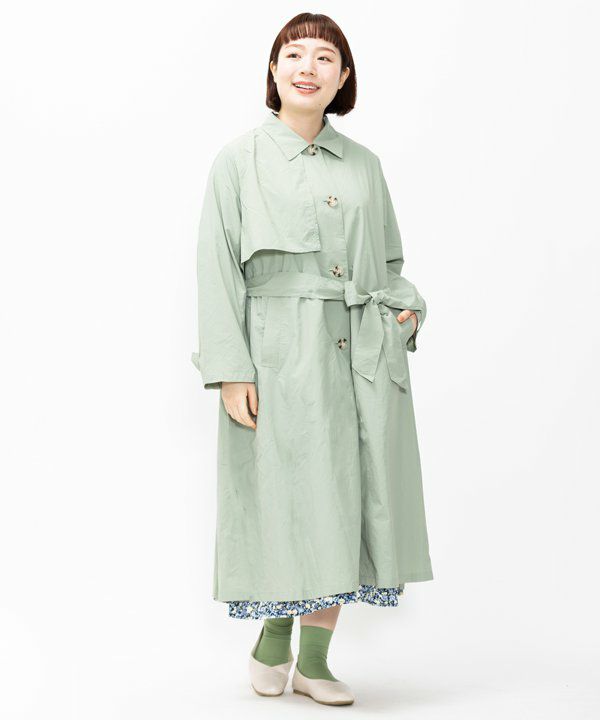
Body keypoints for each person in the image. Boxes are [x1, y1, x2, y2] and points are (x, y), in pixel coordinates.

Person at [191, 12, 433, 706]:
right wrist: (230, 370)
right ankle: (273, 638)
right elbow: (217, 269)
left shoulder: (364, 165)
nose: (308, 67)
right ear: (273, 71)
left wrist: (408, 311)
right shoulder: (238, 160)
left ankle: (316, 662)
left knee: (346, 503)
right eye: (294, 54)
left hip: (359, 355)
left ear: (343, 77)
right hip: (276, 356)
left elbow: (389, 264)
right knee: (284, 499)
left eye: (325, 57)